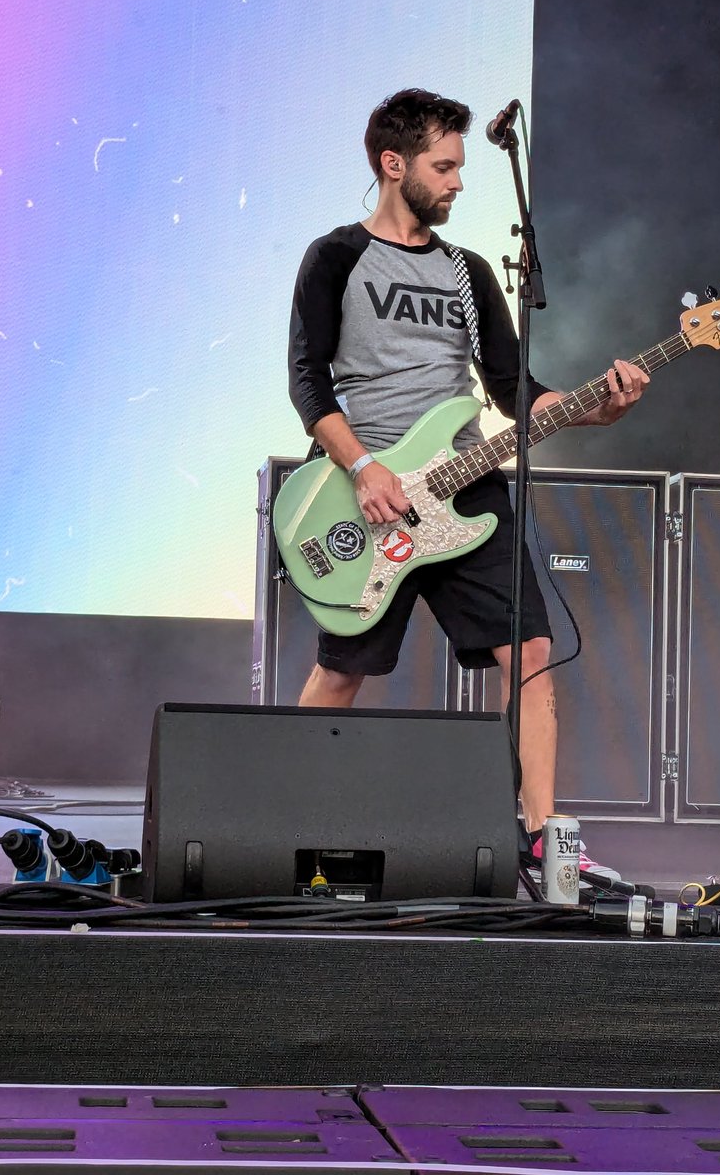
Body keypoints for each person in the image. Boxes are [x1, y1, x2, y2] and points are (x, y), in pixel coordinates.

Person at [287, 88, 648, 868]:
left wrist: (598, 409)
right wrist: (363, 465)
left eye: (461, 167)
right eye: (443, 166)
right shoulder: (337, 257)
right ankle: (282, 820)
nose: (457, 182)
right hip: (370, 493)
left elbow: (516, 386)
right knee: (343, 669)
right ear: (393, 164)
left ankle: (544, 841)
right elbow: (308, 383)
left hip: (466, 489)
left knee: (534, 653)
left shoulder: (469, 272)